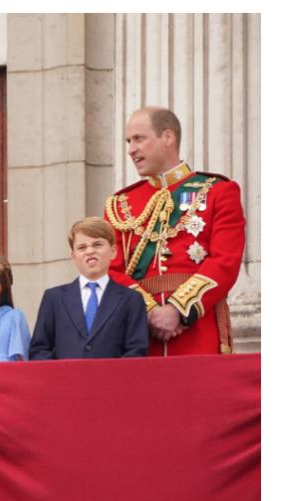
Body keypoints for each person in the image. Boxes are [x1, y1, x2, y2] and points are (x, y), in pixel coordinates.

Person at [104, 106, 245, 355]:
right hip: (140, 336)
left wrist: (178, 309)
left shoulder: (218, 191)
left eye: (138, 138)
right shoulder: (120, 204)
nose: (131, 149)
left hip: (198, 332)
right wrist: (149, 311)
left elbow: (225, 261)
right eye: (128, 141)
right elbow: (112, 270)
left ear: (167, 137)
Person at [29, 217, 149, 360]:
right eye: (82, 247)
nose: (90, 251)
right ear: (73, 256)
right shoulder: (54, 298)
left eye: (97, 244)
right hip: (65, 380)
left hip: (112, 380)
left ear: (113, 251)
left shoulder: (131, 299)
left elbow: (136, 350)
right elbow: (39, 349)